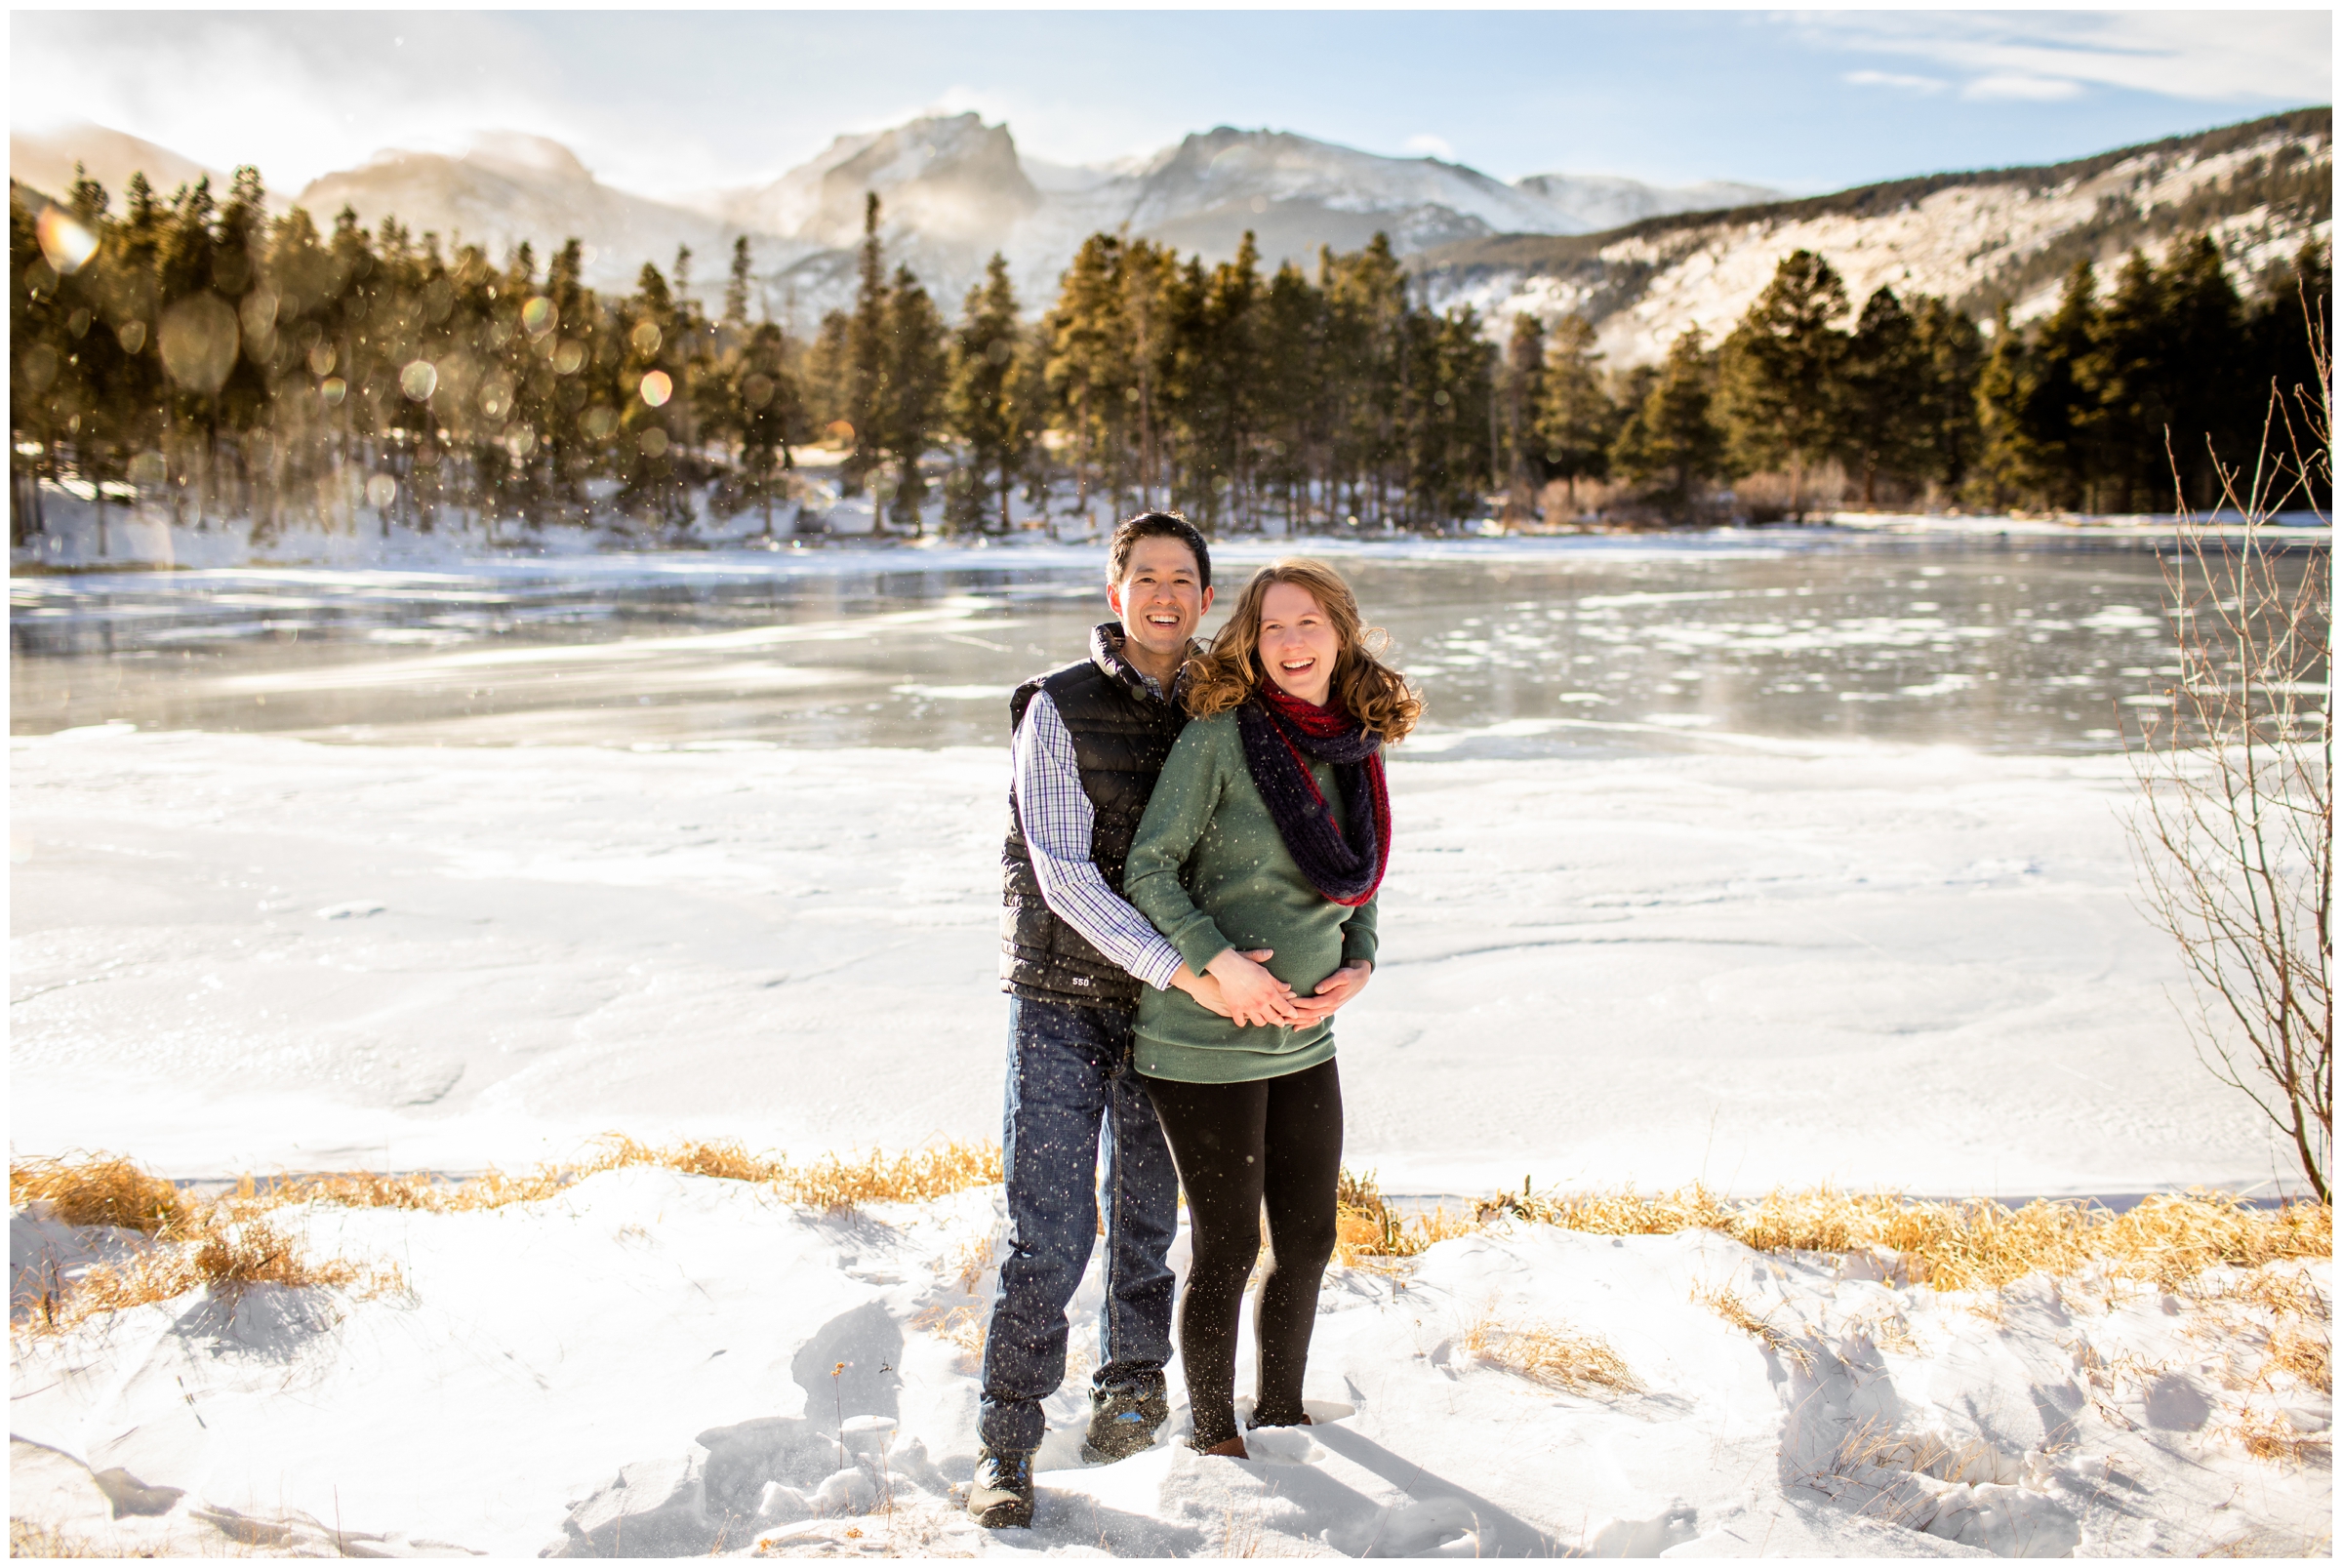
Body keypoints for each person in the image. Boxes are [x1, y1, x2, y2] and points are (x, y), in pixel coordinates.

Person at [971, 512, 1296, 1529]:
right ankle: (1008, 1443)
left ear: (1206, 599)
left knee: (1151, 1219)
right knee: (1052, 1228)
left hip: (1171, 1012)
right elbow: (1065, 876)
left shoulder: (1229, 706)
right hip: (1065, 1002)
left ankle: (1129, 1396)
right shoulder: (1055, 707)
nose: (1163, 593)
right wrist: (1192, 967)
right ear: (1115, 595)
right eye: (1144, 576)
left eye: (1183, 578)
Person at [1122, 558, 1423, 1459]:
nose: (1290, 643)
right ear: (1250, 643)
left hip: (1305, 1035)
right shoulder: (1220, 736)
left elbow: (1360, 871)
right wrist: (1217, 961)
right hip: (1205, 1035)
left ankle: (1281, 1413)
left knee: (1309, 1235)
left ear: (1342, 632)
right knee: (1224, 1243)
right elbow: (1149, 867)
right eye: (1271, 627)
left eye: (1308, 624)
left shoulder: (1354, 741)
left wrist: (1360, 954)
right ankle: (1216, 1438)